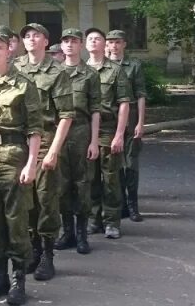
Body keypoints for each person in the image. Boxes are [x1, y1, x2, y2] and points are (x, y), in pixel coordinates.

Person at [0, 28, 42, 306]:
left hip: (14, 156)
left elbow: (35, 129)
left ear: (9, 50)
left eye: (0, 47)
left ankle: (18, 280)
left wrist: (32, 164)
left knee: (16, 221)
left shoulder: (24, 84)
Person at [17, 24, 74, 281]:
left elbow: (66, 115)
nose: (31, 39)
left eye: (36, 35)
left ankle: (48, 255)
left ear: (45, 41)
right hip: (19, 142)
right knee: (25, 199)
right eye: (27, 36)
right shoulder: (15, 67)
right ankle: (34, 249)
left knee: (45, 199)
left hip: (46, 139)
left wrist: (53, 151)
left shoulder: (57, 71)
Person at [54, 28, 101, 255]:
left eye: (74, 41)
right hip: (59, 134)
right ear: (61, 46)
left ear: (80, 45)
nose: (70, 45)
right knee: (61, 185)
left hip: (81, 132)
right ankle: (68, 232)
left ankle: (82, 234)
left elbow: (95, 110)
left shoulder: (90, 74)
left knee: (82, 183)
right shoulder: (55, 72)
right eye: (66, 42)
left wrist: (94, 141)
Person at [84, 28, 132, 240]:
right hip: (84, 131)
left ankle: (112, 221)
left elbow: (124, 104)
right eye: (90, 39)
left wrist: (119, 134)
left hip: (108, 129)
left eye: (97, 39)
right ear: (86, 44)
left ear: (105, 44)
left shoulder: (115, 70)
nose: (93, 42)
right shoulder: (81, 69)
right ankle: (94, 219)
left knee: (111, 177)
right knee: (90, 177)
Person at [106, 30, 147, 222]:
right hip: (110, 121)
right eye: (111, 42)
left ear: (124, 44)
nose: (113, 46)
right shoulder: (102, 66)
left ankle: (133, 206)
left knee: (131, 165)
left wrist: (140, 122)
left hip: (130, 119)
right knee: (114, 166)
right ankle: (120, 205)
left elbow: (140, 95)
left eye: (117, 42)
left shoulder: (134, 66)